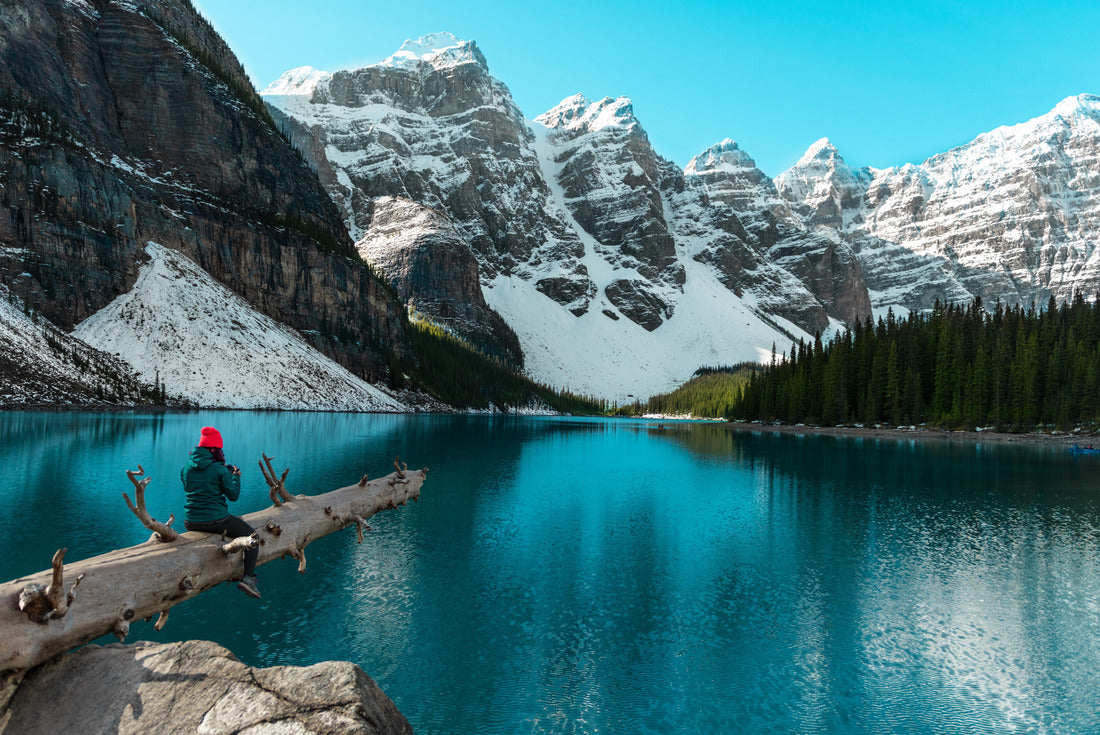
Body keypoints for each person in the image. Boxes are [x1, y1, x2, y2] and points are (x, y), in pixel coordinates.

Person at [181, 426, 261, 598]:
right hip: (215, 521)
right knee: (252, 536)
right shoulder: (219, 469)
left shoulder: (187, 467)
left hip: (190, 522)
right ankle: (248, 579)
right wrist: (235, 476)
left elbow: (191, 488)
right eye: (219, 449)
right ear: (213, 449)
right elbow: (233, 495)